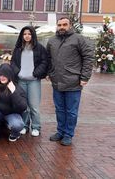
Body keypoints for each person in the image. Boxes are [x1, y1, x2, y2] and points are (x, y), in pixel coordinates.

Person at [46, 17, 94, 146]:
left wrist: (85, 77)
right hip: (57, 82)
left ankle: (68, 134)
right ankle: (60, 131)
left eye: (65, 24)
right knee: (59, 109)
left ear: (70, 25)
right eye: (59, 25)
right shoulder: (52, 41)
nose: (62, 27)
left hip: (73, 82)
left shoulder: (79, 39)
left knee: (71, 111)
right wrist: (50, 73)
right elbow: (48, 59)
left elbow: (88, 57)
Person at [10, 26, 48, 137]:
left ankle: (36, 127)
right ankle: (25, 126)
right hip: (21, 81)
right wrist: (18, 72)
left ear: (33, 35)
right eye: (25, 34)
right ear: (22, 35)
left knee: (34, 106)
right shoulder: (18, 49)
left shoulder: (39, 48)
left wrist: (36, 73)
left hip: (33, 82)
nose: (27, 36)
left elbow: (44, 62)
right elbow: (13, 62)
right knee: (24, 106)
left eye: (29, 34)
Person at [0, 63, 27, 142]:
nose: (2, 77)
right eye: (0, 75)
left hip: (12, 114)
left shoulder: (16, 87)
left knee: (18, 125)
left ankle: (15, 134)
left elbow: (23, 107)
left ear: (10, 76)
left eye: (5, 75)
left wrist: (13, 92)